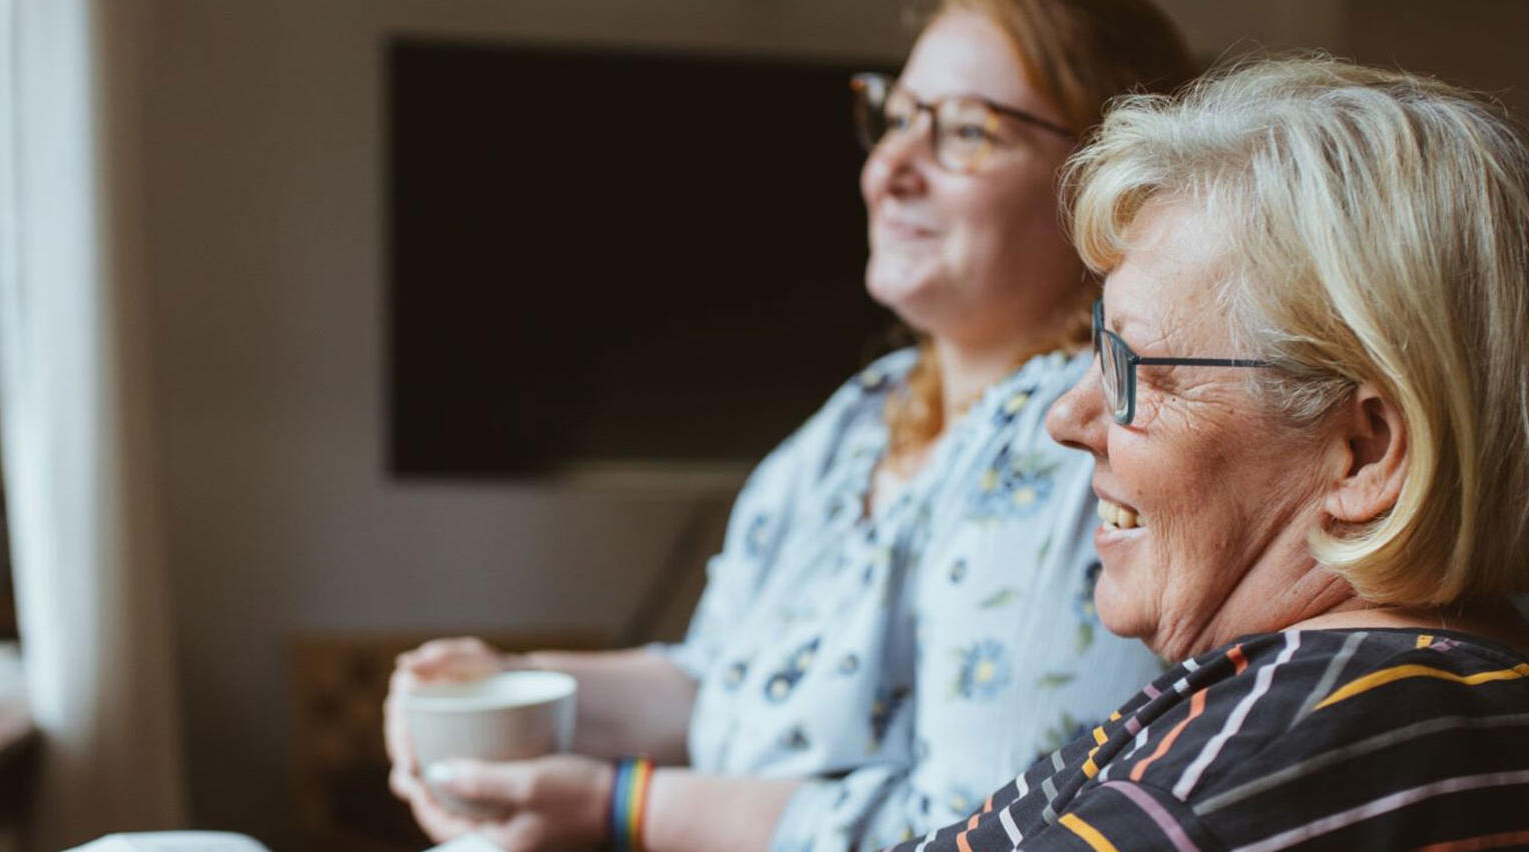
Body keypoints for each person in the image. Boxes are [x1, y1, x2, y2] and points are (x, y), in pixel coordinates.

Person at [384, 2, 1194, 850]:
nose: (889, 168)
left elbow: (972, 830)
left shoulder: (1078, 445)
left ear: (1105, 184)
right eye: (896, 118)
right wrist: (512, 689)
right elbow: (727, 683)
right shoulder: (862, 420)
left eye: (966, 132)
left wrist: (620, 807)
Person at [893, 55, 1529, 851]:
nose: (1066, 415)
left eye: (1137, 368)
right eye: (1097, 342)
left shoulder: (1318, 730)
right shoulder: (1417, 697)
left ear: (1365, 453)